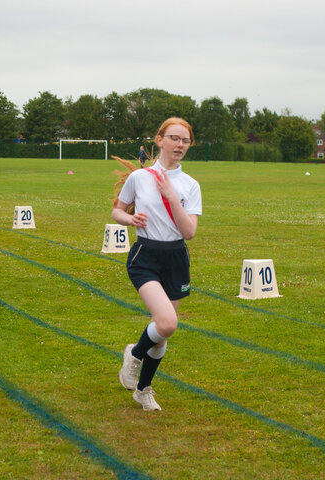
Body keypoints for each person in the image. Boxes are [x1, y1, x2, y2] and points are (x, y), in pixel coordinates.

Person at [113, 117, 202, 411]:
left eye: (185, 140)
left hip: (176, 257)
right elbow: (117, 211)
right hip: (146, 256)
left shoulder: (190, 185)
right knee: (166, 323)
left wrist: (171, 197)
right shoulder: (140, 178)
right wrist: (130, 219)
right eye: (174, 138)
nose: (179, 145)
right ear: (159, 139)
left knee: (162, 332)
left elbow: (189, 232)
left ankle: (143, 389)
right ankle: (135, 355)